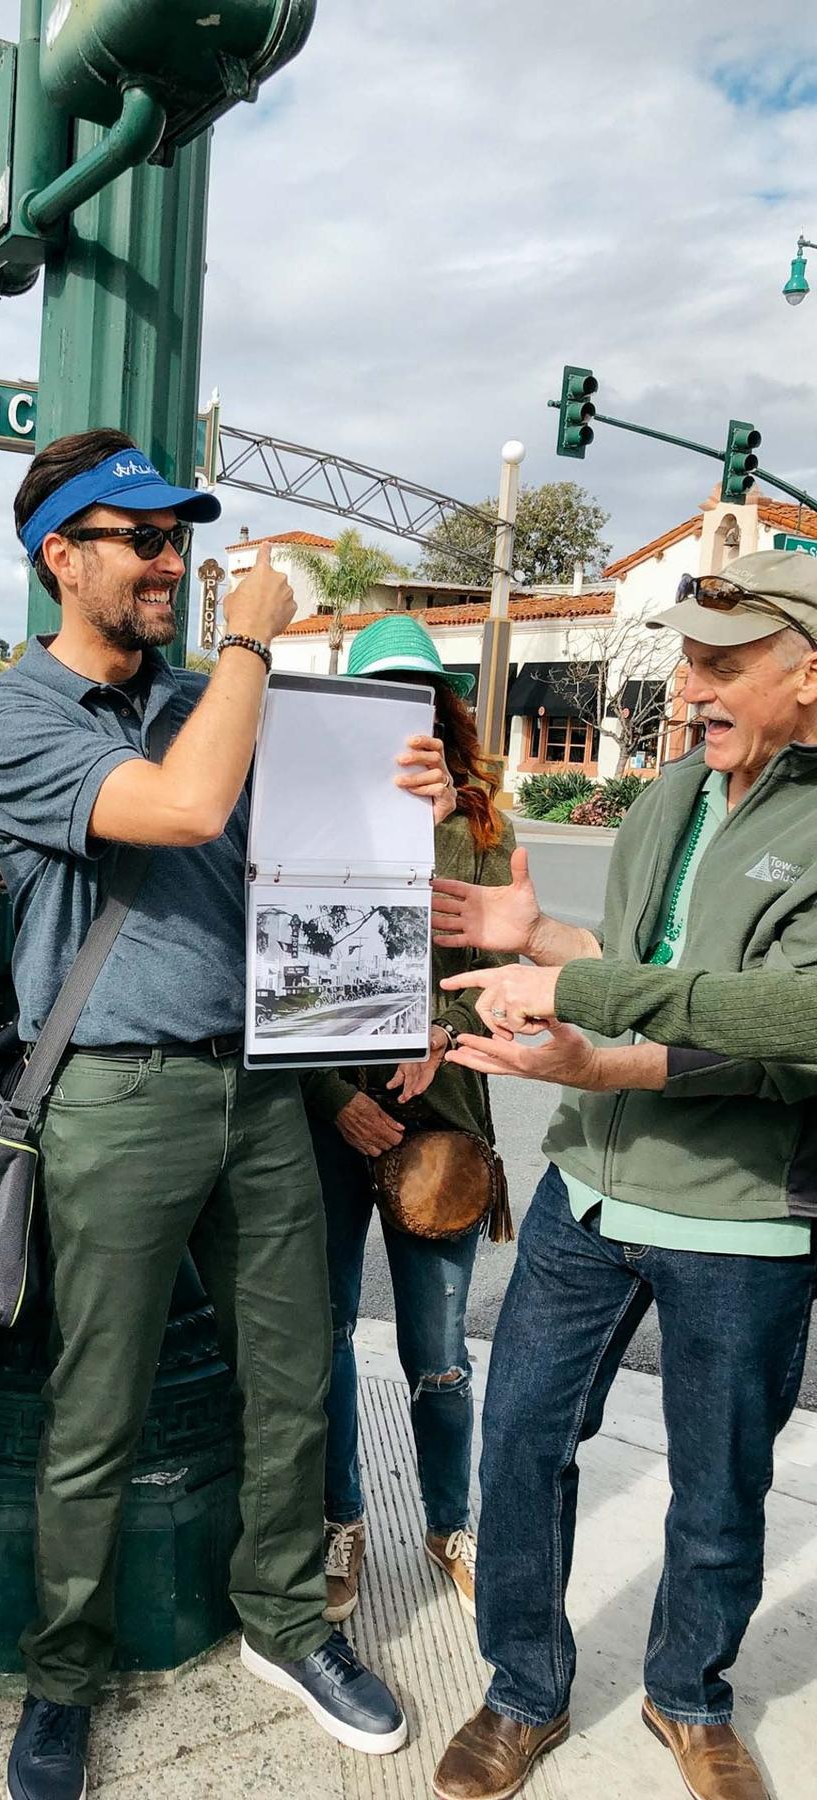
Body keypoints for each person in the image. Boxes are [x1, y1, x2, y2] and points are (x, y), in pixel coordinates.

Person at [0, 430, 445, 1800]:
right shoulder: (14, 716)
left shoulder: (206, 695)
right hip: (115, 1095)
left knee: (293, 1377)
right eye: (142, 539)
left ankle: (288, 1624)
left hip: (262, 1084)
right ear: (60, 556)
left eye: (179, 538)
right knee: (97, 1406)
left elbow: (315, 853)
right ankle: (65, 1676)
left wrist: (406, 792)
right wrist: (250, 644)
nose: (172, 562)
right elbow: (182, 808)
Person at [430, 550, 817, 1800]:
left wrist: (599, 1038)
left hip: (744, 1222)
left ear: (808, 675)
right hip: (586, 1195)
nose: (689, 686)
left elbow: (787, 1028)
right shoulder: (670, 796)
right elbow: (644, 962)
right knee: (518, 1443)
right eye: (687, 658)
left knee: (718, 1488)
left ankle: (688, 1695)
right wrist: (539, 936)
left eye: (722, 663)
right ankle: (522, 1690)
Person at [302, 616, 516, 1626]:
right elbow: (278, 979)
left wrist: (443, 1029)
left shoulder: (481, 828)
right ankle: (341, 1518)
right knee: (327, 1334)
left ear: (443, 706)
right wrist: (331, 1096)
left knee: (438, 1350)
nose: (403, 711)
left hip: (441, 1125)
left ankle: (449, 1522)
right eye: (380, 692)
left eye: (420, 692)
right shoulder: (310, 819)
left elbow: (506, 979)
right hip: (334, 1117)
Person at [441, 952, 817, 1062]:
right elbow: (628, 948)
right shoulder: (663, 799)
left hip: (741, 1196)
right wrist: (540, 936)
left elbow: (799, 1015)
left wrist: (579, 988)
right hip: (578, 1180)